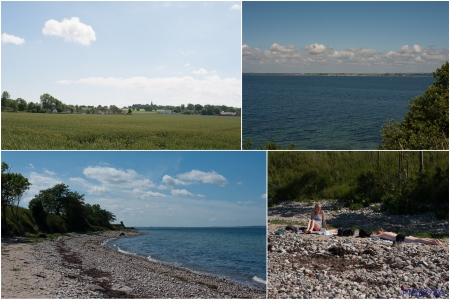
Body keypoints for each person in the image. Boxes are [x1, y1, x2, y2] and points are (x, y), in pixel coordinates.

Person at [370, 228, 443, 245]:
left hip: (399, 237)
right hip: (402, 235)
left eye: (378, 231)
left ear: (381, 231)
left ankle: (433, 242)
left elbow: (373, 236)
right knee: (417, 238)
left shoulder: (383, 234)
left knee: (416, 240)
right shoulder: (390, 232)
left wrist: (370, 235)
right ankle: (434, 240)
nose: (377, 233)